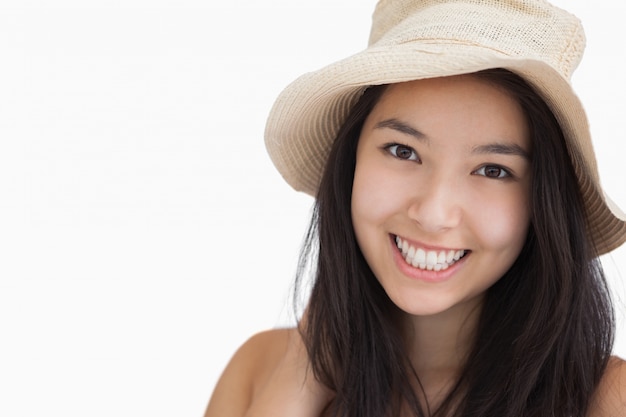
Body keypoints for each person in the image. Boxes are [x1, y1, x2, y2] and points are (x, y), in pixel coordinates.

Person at [205, 0, 626, 416]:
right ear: (350, 160)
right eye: (403, 151)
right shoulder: (259, 367)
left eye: (493, 171)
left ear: (542, 203)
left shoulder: (607, 398)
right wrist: (304, 372)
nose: (433, 213)